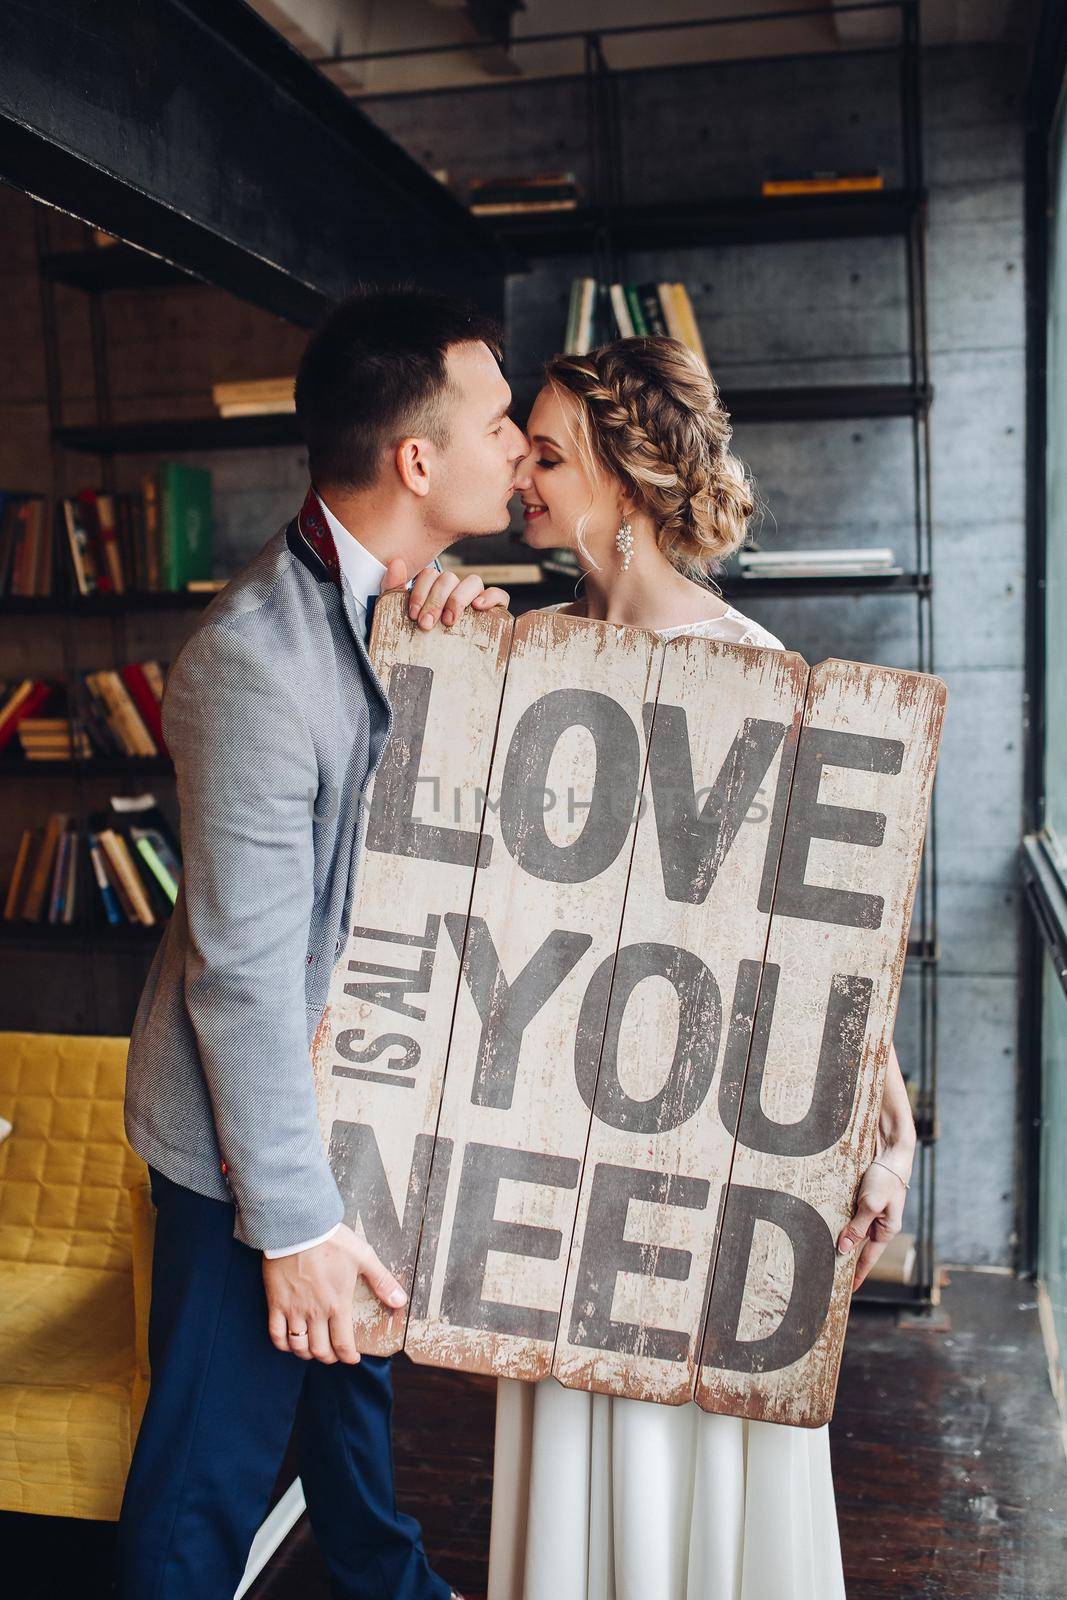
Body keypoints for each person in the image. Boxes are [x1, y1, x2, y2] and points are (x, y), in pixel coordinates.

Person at [487, 335, 917, 1600]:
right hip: (562, 1150)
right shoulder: (510, 653)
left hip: (709, 1156)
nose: (518, 471)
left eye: (547, 454)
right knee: (573, 1464)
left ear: (623, 479)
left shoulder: (764, 677)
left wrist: (886, 1131)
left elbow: (834, 951)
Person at [118, 286, 528, 1600]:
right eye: (499, 422)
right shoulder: (247, 658)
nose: (516, 446)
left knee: (353, 1464)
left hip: (353, 1113)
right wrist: (288, 1228)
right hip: (250, 1158)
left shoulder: (395, 608)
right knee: (203, 1495)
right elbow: (237, 979)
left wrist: (442, 652)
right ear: (418, 461)